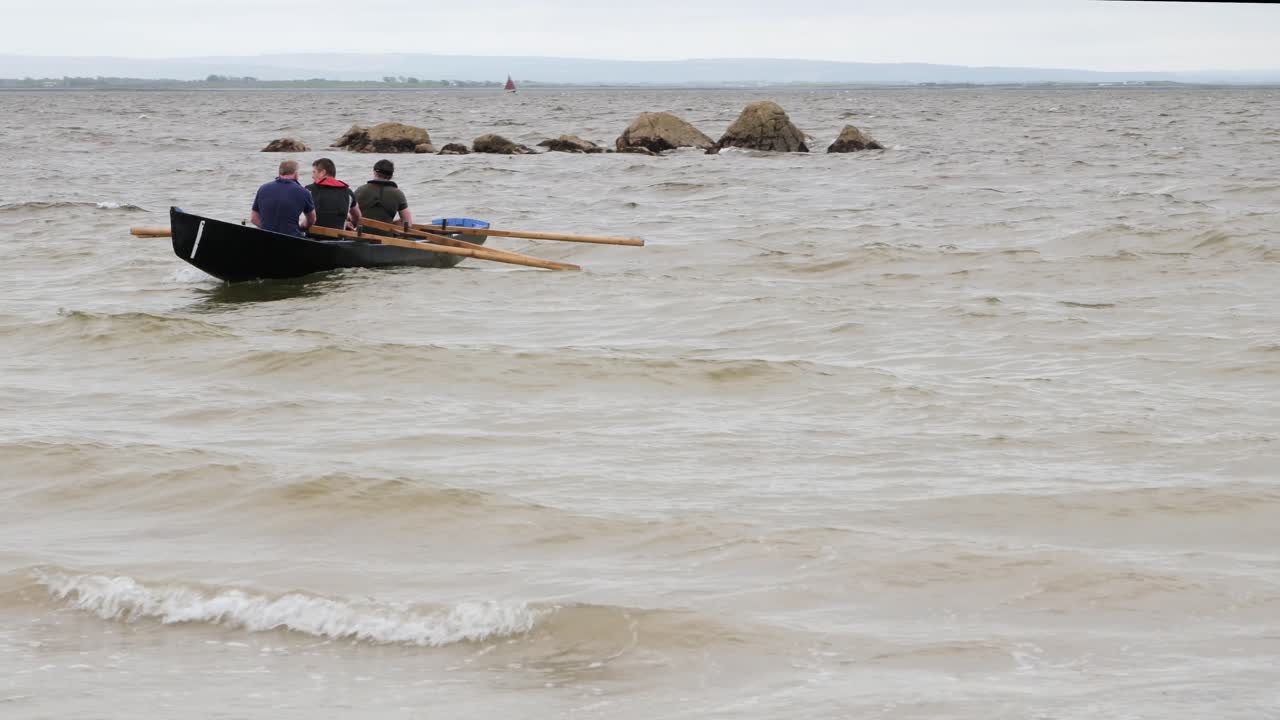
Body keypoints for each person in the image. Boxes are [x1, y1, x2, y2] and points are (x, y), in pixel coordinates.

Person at [251, 160, 316, 237]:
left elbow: (254, 218)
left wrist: (268, 229)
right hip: (291, 238)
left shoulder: (263, 188)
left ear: (279, 173)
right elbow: (312, 219)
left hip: (266, 238)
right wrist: (302, 227)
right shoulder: (304, 192)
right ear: (296, 174)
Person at [354, 159, 413, 232]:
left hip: (361, 236)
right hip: (386, 236)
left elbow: (351, 218)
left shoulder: (359, 190)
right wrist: (390, 225)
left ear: (375, 172)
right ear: (391, 176)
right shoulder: (398, 194)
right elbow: (408, 222)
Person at [305, 158, 362, 230]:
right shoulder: (348, 192)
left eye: (314, 172)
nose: (312, 176)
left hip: (311, 236)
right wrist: (349, 223)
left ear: (323, 172)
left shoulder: (308, 190)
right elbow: (357, 217)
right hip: (338, 238)